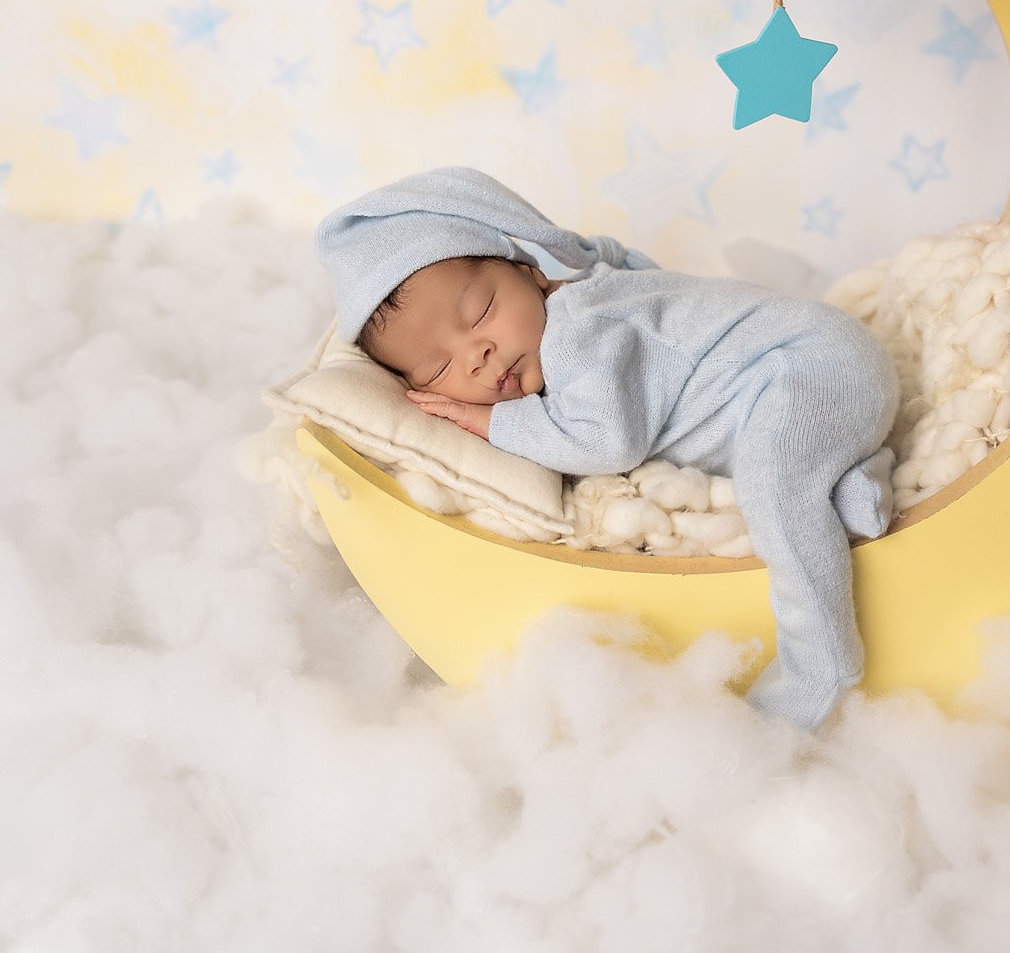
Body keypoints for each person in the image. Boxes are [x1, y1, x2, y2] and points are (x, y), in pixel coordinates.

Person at [315, 166, 900, 732]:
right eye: (439, 367)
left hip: (807, 370)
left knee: (774, 487)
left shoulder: (576, 331)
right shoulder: (590, 293)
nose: (477, 354)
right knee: (785, 465)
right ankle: (851, 482)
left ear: (532, 273)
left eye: (481, 312)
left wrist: (496, 423)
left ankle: (820, 665)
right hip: (824, 380)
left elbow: (607, 441)